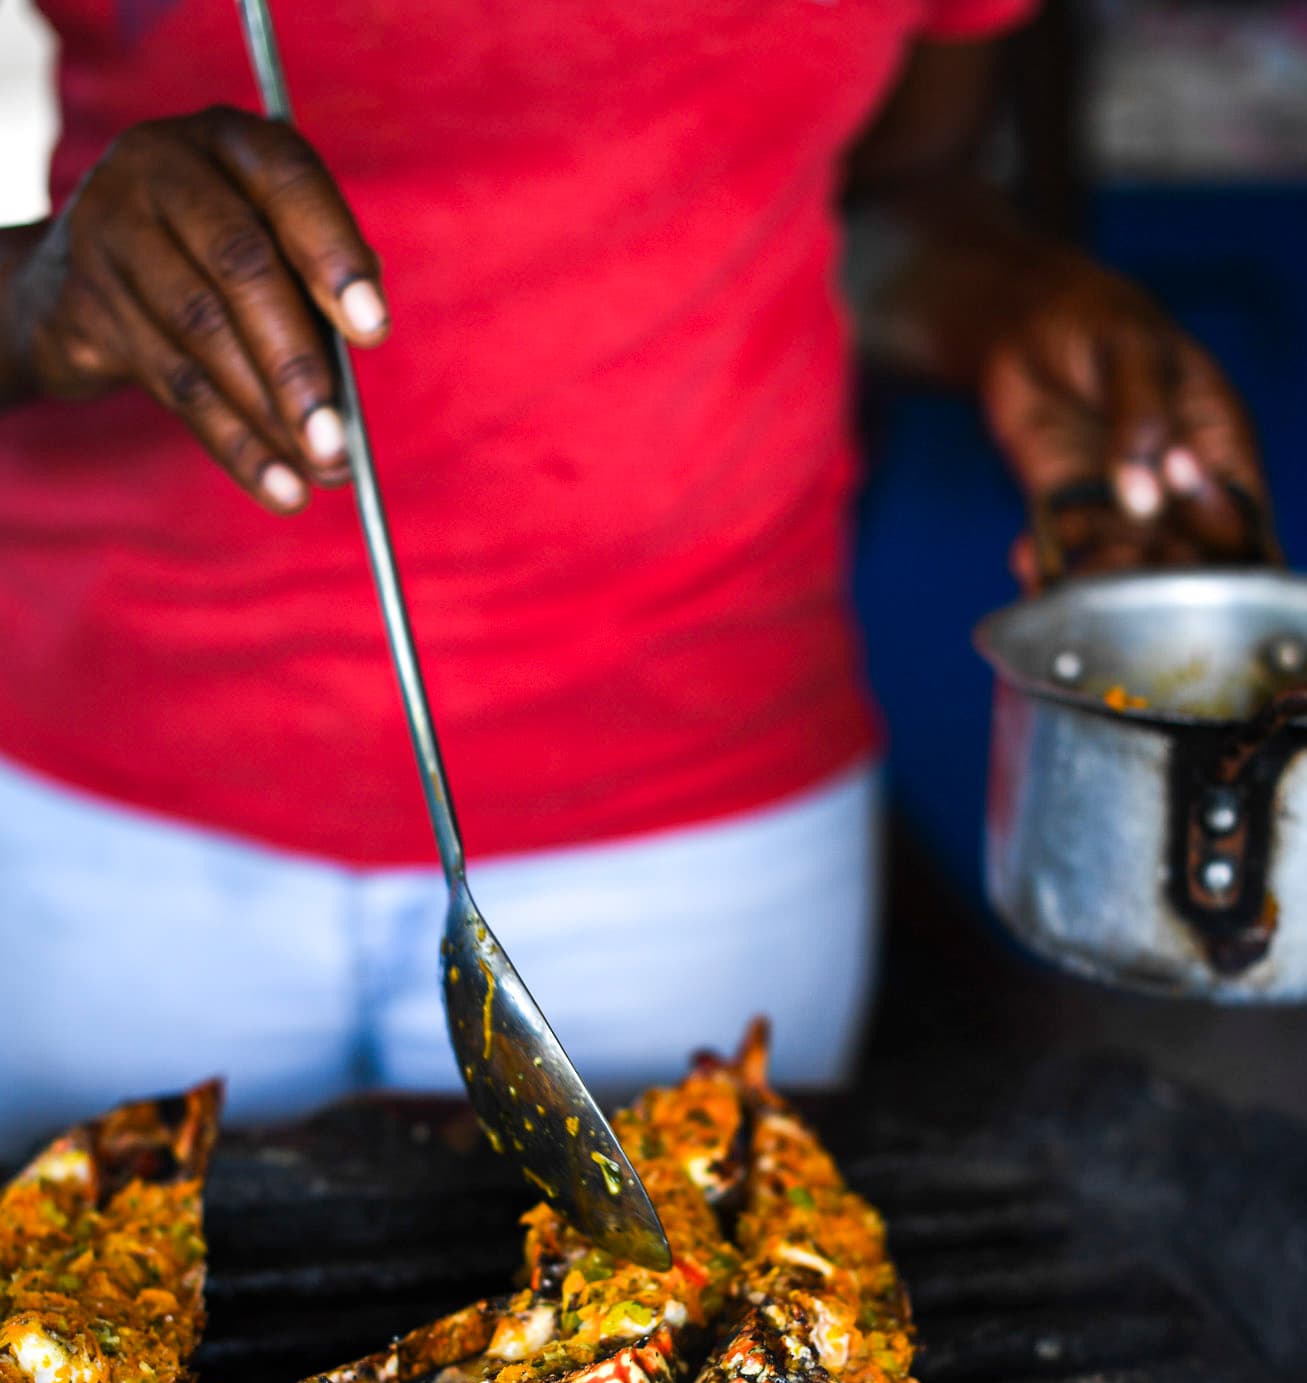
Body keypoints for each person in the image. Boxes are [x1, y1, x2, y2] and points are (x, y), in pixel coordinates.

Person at [0, 1, 1268, 1154]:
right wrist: (45, 298)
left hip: (696, 813)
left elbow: (884, 199)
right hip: (112, 816)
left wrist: (1008, 310)